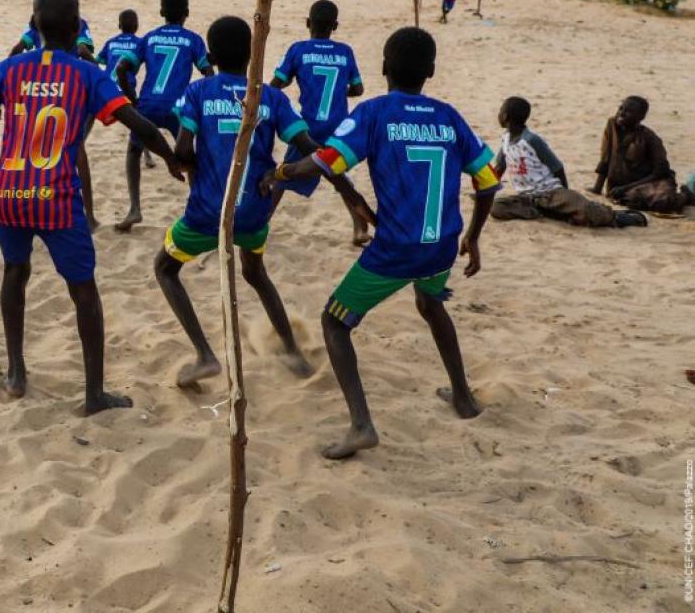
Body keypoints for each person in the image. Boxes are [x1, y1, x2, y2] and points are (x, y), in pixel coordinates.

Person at [262, 27, 500, 459]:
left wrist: (278, 174)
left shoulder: (374, 113)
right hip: (442, 245)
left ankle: (361, 426)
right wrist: (474, 237)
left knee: (335, 322)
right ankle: (463, 398)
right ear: (431, 70)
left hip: (394, 251)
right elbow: (488, 181)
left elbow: (325, 162)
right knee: (431, 305)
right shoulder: (449, 116)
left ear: (384, 67)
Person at [0, 0, 184, 415]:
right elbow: (141, 125)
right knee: (84, 292)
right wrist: (171, 159)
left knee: (14, 274)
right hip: (55, 197)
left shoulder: (9, 69)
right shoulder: (86, 73)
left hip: (9, 192)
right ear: (78, 26)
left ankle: (17, 373)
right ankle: (94, 394)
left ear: (33, 23)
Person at [156, 16, 374, 388]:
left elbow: (181, 147)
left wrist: (186, 163)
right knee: (255, 273)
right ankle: (291, 349)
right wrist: (336, 187)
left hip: (208, 211)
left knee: (165, 268)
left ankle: (205, 355)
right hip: (254, 212)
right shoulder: (271, 98)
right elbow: (311, 152)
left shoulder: (199, 92)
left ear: (209, 55)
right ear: (254, 54)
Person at [269, 0, 372, 246]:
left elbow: (278, 84)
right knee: (338, 177)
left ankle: (260, 219)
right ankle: (360, 226)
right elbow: (358, 89)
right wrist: (339, 93)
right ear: (335, 26)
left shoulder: (299, 50)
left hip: (309, 127)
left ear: (308, 23)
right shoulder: (345, 52)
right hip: (338, 127)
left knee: (283, 175)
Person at [114, 0, 213, 231]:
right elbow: (209, 75)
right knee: (189, 156)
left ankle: (135, 208)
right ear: (186, 13)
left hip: (147, 104)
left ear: (161, 12)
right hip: (177, 107)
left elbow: (121, 68)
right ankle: (197, 206)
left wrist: (131, 98)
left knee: (133, 152)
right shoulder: (193, 39)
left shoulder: (149, 37)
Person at [10, 0, 101, 228]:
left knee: (35, 150)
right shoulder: (79, 25)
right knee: (77, 149)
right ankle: (89, 215)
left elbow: (17, 49)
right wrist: (97, 70)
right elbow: (83, 49)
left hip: (38, 91)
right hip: (68, 91)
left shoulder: (37, 27)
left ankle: (32, 206)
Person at [491, 96, 647, 227]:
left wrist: (564, 192)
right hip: (527, 197)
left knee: (587, 210)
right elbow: (499, 167)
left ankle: (620, 218)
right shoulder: (505, 139)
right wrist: (485, 190)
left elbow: (557, 167)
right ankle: (549, 212)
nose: (498, 114)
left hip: (551, 193)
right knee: (496, 207)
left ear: (505, 117)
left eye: (500, 111)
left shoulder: (532, 140)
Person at [591, 96, 689, 214]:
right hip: (622, 187)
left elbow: (660, 172)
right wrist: (597, 189)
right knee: (630, 199)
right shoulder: (612, 125)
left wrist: (625, 188)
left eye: (629, 111)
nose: (622, 113)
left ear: (641, 117)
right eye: (621, 109)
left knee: (660, 202)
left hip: (650, 182)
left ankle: (685, 196)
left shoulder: (650, 138)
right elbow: (605, 159)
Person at [97, 9, 154, 169]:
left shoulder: (111, 42)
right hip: (126, 88)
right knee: (139, 122)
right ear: (136, 26)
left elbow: (99, 60)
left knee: (88, 117)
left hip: (106, 88)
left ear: (119, 25)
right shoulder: (139, 43)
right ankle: (147, 155)